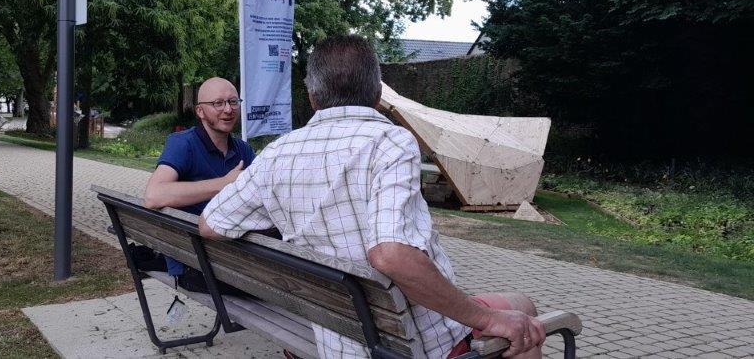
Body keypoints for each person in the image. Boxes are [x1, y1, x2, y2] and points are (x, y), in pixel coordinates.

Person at [198, 35, 545, 359]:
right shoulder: (390, 142)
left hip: (325, 335)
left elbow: (211, 224)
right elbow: (391, 254)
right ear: (378, 93)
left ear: (312, 97)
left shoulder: (276, 153)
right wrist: (486, 319)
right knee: (523, 310)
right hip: (401, 342)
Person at [143, 77, 256, 291]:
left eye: (233, 102)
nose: (228, 109)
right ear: (200, 112)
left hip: (231, 256)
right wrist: (224, 183)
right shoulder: (183, 143)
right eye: (218, 103)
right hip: (195, 265)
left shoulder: (244, 151)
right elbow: (153, 195)